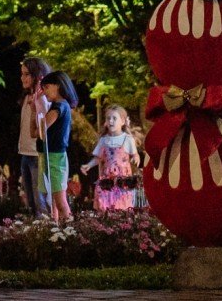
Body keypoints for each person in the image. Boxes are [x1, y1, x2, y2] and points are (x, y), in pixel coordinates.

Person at [83, 104, 141, 211]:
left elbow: (135, 154)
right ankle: (106, 225)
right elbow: (98, 158)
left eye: (114, 118)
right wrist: (89, 165)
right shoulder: (103, 140)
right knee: (105, 207)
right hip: (107, 181)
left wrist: (136, 158)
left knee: (122, 207)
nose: (111, 121)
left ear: (122, 121)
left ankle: (121, 225)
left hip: (122, 182)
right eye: (108, 118)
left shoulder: (128, 139)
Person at [40, 72, 77, 224]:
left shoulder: (59, 107)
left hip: (56, 157)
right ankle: (59, 231)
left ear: (58, 86)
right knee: (54, 202)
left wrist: (37, 109)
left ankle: (69, 231)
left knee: (60, 202)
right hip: (51, 155)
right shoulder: (60, 106)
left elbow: (41, 130)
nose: (44, 92)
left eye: (47, 87)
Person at [16, 57, 49, 215]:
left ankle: (46, 234)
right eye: (22, 74)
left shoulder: (42, 99)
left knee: (40, 201)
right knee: (31, 202)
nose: (23, 78)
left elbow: (44, 129)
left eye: (27, 74)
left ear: (37, 75)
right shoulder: (27, 97)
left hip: (37, 155)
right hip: (25, 153)